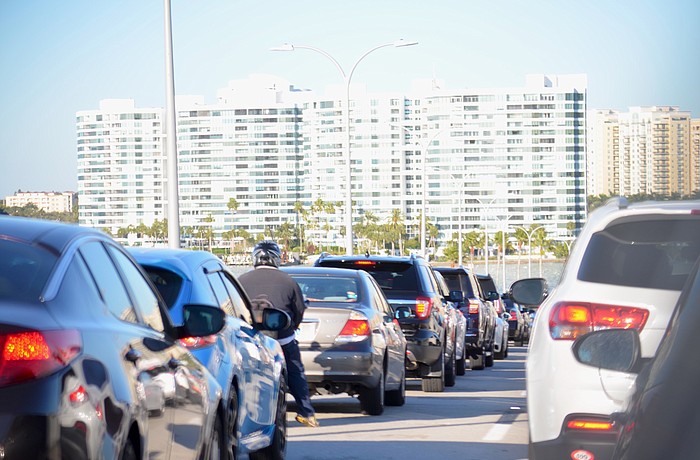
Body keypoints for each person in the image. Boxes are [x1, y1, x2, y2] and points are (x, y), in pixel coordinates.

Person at [238, 240, 319, 428]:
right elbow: (299, 309)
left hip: (250, 338)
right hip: (282, 337)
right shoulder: (288, 281)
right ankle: (306, 412)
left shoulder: (242, 280)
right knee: (295, 371)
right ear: (276, 259)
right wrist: (294, 325)